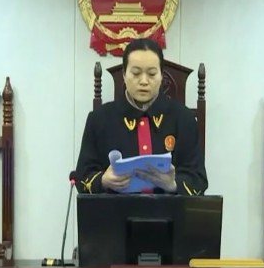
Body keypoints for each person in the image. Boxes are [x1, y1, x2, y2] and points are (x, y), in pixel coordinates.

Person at [75, 38, 207, 195]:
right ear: (124, 75)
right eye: (136, 73)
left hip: (169, 209)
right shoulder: (99, 119)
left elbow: (198, 178)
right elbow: (82, 176)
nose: (144, 81)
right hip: (114, 208)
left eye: (152, 74)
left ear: (161, 76)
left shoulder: (184, 119)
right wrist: (103, 180)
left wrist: (173, 184)